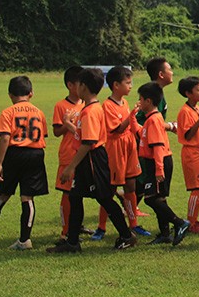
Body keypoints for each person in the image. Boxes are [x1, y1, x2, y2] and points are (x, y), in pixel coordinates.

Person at [48, 68, 136, 253]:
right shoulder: (90, 109)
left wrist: (70, 167)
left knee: (104, 198)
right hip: (88, 158)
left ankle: (127, 235)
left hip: (92, 159)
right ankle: (72, 242)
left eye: (79, 84)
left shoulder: (90, 111)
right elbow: (84, 136)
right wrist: (70, 125)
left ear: (83, 87)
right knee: (75, 196)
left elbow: (88, 142)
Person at [0, 76, 49, 250]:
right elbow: (42, 134)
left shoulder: (8, 112)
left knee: (3, 194)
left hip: (15, 154)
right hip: (36, 154)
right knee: (27, 197)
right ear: (31, 93)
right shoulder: (38, 112)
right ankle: (25, 240)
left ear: (10, 94)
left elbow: (5, 137)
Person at [135, 83, 189, 246]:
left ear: (149, 101)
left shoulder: (154, 120)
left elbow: (158, 146)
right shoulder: (150, 119)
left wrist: (159, 169)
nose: (139, 102)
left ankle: (179, 223)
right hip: (154, 162)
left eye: (141, 99)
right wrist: (132, 116)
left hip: (159, 161)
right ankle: (165, 233)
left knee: (151, 199)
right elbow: (139, 131)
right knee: (159, 198)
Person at [97, 66, 145, 240]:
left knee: (131, 186)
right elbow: (116, 129)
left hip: (129, 145)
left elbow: (129, 125)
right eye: (128, 83)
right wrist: (132, 114)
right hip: (115, 148)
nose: (131, 86)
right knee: (109, 189)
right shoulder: (107, 105)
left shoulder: (124, 102)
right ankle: (101, 227)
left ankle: (134, 224)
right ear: (116, 85)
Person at [51, 66, 85, 240]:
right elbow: (57, 132)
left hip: (84, 154)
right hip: (68, 154)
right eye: (81, 83)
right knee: (67, 192)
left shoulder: (86, 103)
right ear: (71, 85)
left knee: (78, 192)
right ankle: (66, 230)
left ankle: (77, 225)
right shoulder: (61, 105)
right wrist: (67, 123)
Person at [176, 76, 199, 232]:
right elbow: (188, 136)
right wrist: (198, 121)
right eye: (198, 89)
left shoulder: (198, 108)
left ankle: (194, 220)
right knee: (196, 189)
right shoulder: (185, 112)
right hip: (191, 154)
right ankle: (190, 223)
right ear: (188, 93)